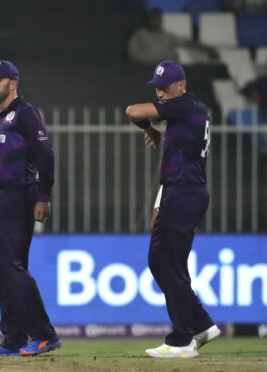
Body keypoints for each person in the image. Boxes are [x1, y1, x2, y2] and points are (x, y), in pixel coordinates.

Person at [125, 59, 220, 358]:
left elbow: (132, 111)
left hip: (184, 193)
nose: (161, 94)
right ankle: (202, 325)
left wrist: (150, 126)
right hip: (181, 192)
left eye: (165, 88)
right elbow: (171, 165)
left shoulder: (185, 106)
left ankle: (182, 340)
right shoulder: (188, 111)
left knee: (167, 263)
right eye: (157, 88)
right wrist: (158, 201)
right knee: (166, 263)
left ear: (182, 85)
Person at [0, 60, 60, 357]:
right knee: (4, 268)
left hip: (20, 194)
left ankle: (44, 334)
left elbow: (46, 154)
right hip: (1, 195)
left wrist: (44, 196)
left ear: (12, 84)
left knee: (12, 266)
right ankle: (14, 336)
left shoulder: (25, 114)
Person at [127, 8, 218, 64]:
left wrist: (207, 49)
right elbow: (132, 53)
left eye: (158, 19)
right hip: (144, 72)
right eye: (153, 18)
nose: (156, 21)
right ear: (149, 20)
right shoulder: (140, 34)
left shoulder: (168, 37)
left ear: (161, 21)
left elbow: (187, 43)